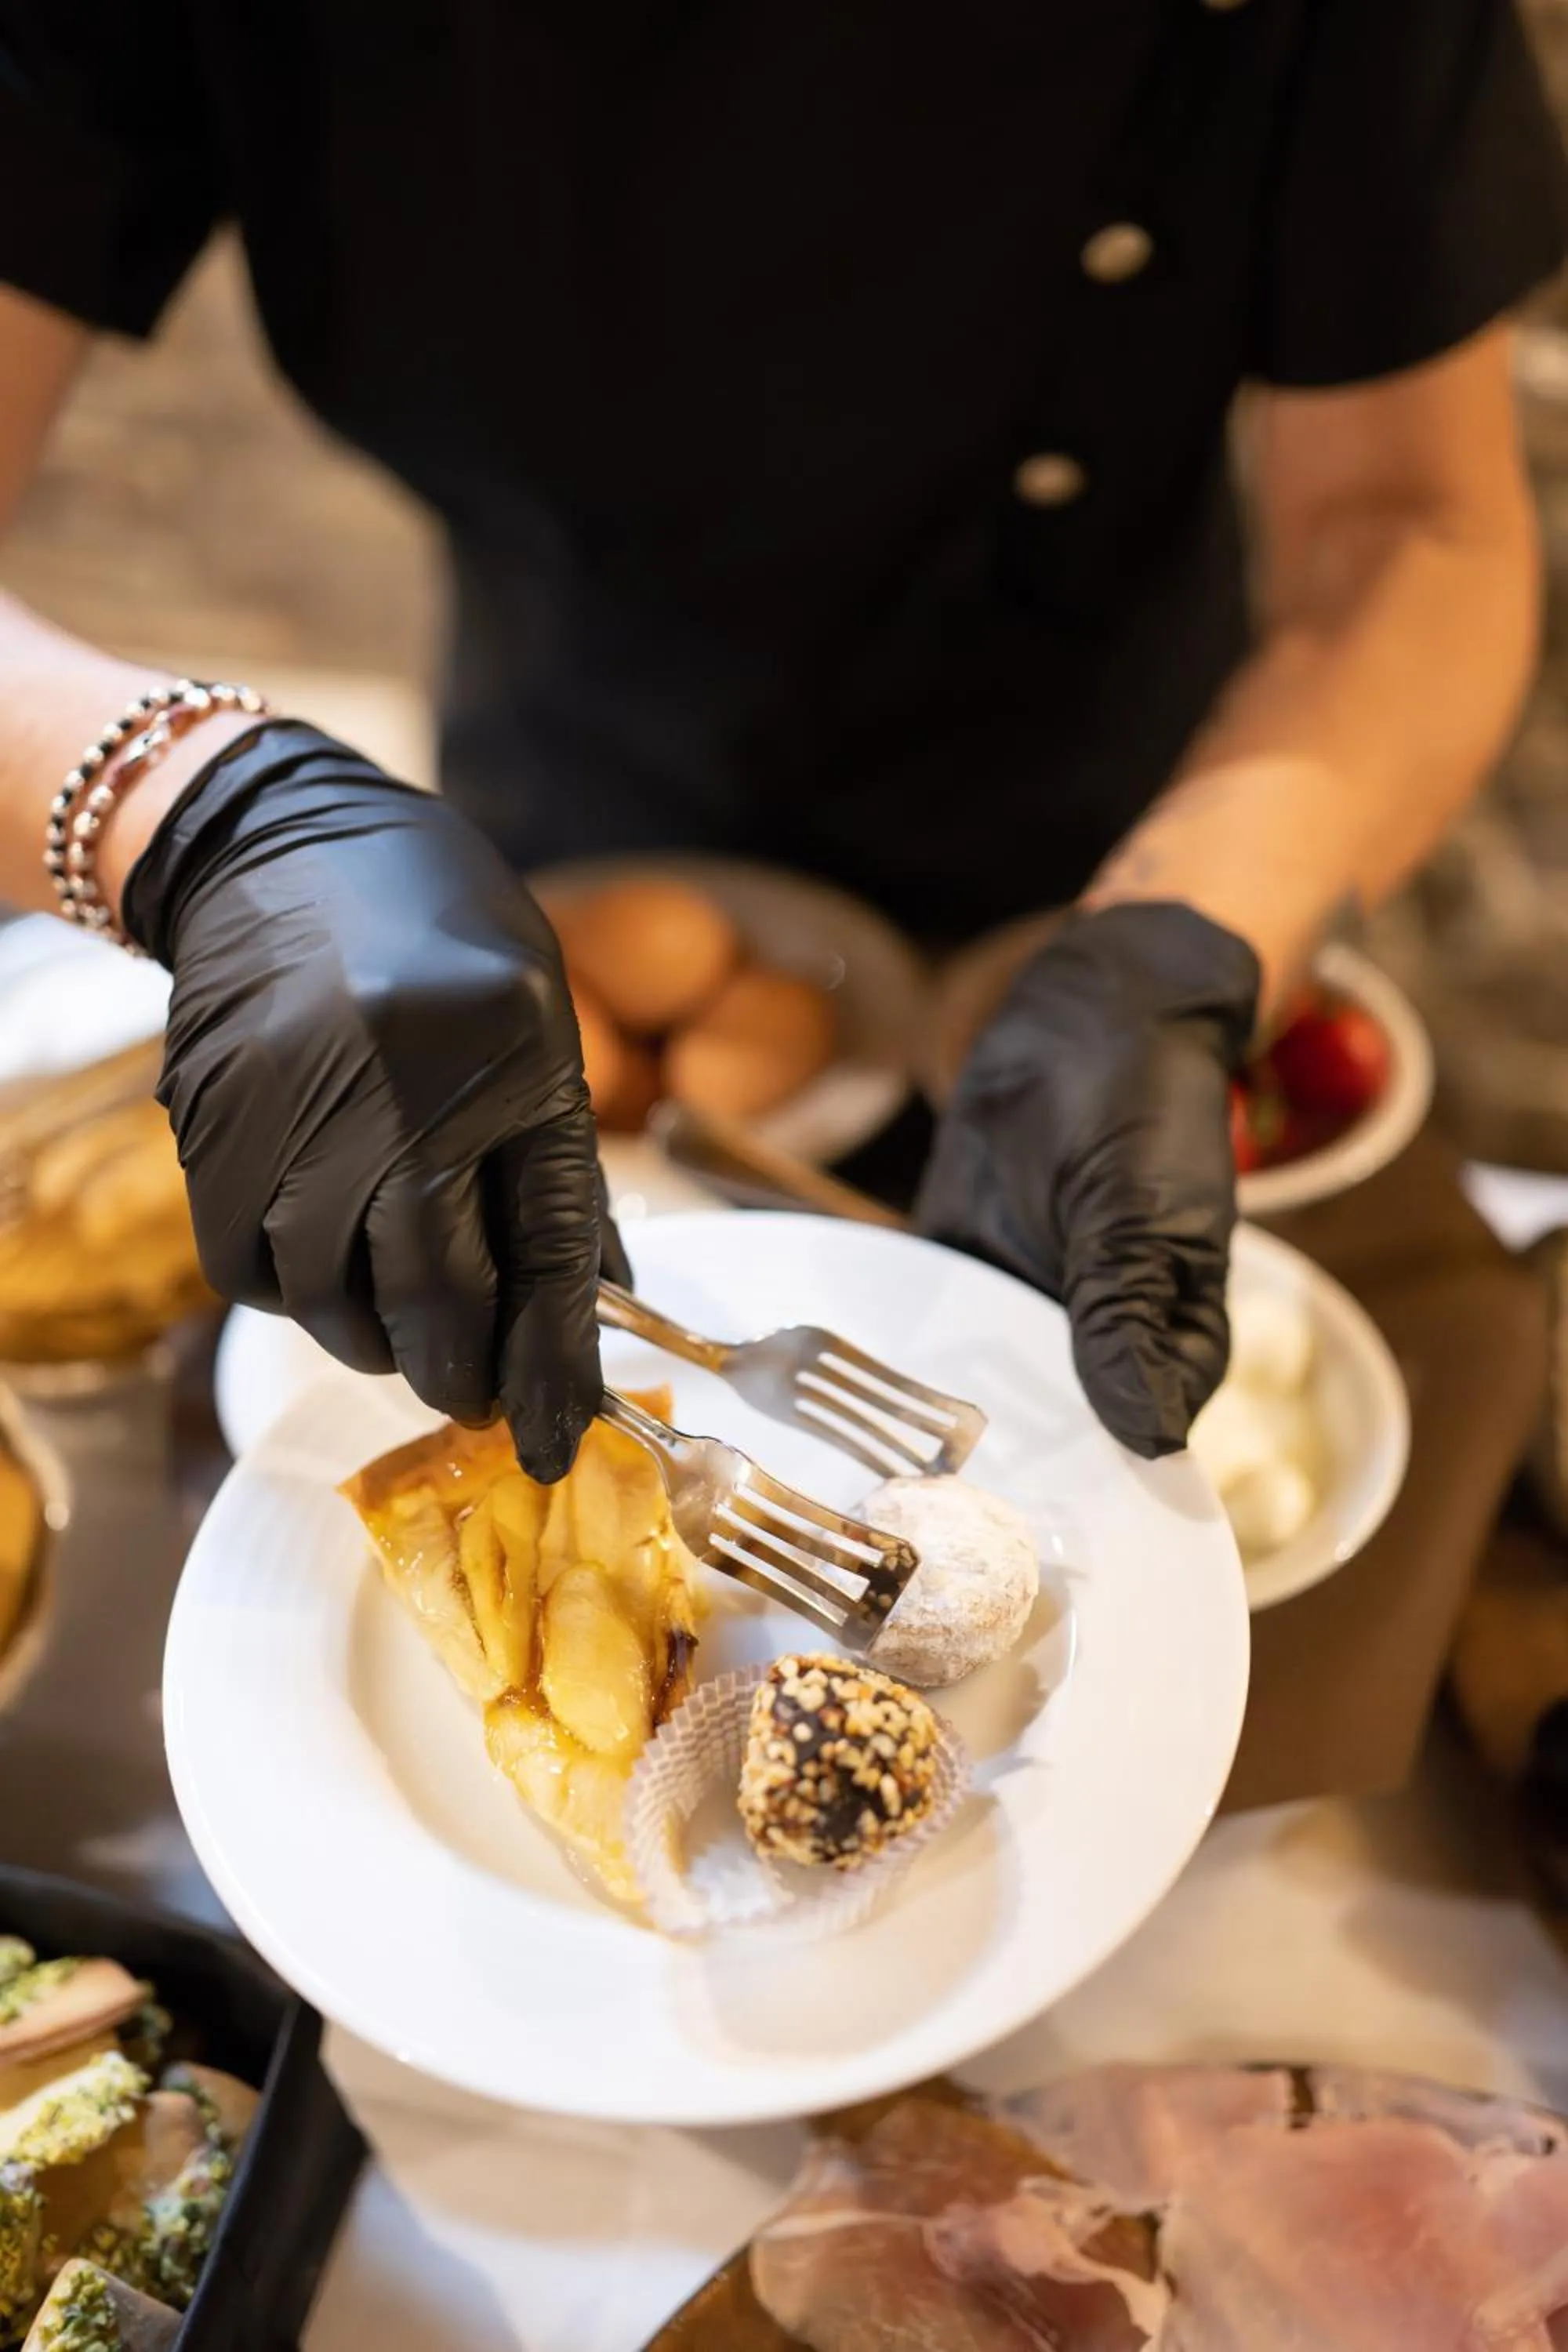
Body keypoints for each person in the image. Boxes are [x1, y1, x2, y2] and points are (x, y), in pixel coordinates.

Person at [0, 0, 1563, 1479]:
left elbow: (1411, 526)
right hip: (545, 836)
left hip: (1146, 827)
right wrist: (203, 818)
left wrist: (1182, 935)